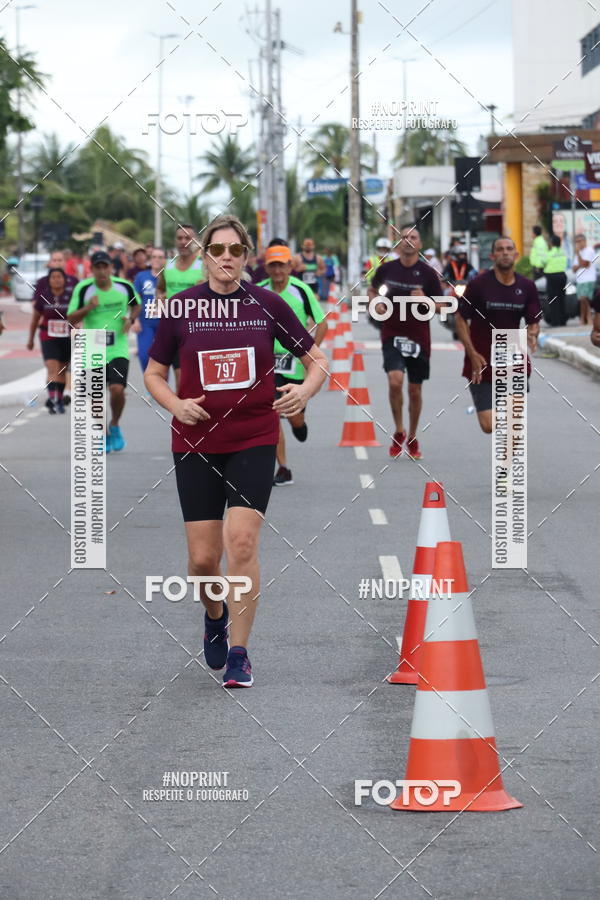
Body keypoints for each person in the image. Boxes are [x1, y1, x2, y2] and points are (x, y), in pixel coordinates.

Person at [144, 214, 327, 688]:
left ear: (247, 257)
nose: (226, 258)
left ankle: (241, 652)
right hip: (196, 442)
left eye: (236, 250)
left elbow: (316, 360)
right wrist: (176, 404)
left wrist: (304, 392)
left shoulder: (267, 304)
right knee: (204, 560)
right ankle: (214, 612)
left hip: (253, 437)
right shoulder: (181, 308)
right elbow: (153, 374)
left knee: (241, 542)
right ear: (204, 256)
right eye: (218, 250)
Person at [368, 224, 443, 460]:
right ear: (398, 244)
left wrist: (426, 300)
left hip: (419, 336)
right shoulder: (387, 270)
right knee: (395, 380)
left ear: (419, 244)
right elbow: (372, 291)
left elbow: (442, 305)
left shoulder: (428, 274)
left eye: (413, 237)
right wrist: (377, 303)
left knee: (414, 389)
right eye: (404, 237)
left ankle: (412, 436)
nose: (408, 240)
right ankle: (398, 430)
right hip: (392, 333)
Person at [454, 236, 541, 434]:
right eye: (500, 249)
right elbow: (461, 319)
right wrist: (471, 353)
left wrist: (532, 334)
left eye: (509, 249)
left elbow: (533, 321)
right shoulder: (478, 284)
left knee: (513, 418)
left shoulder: (527, 287)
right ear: (492, 256)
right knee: (489, 425)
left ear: (516, 255)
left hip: (513, 358)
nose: (505, 252)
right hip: (481, 360)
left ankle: (508, 463)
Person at [258, 244, 327, 485]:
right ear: (266, 267)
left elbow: (322, 322)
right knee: (271, 413)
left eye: (282, 265)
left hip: (295, 362)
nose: (277, 270)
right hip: (267, 363)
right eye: (273, 265)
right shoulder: (259, 291)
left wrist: (308, 355)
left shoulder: (301, 290)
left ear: (290, 266)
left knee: (293, 416)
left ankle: (299, 425)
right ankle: (283, 467)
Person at [67, 250, 140, 452]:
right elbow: (70, 319)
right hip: (92, 348)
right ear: (91, 269)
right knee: (96, 397)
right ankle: (103, 434)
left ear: (110, 268)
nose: (101, 271)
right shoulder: (83, 289)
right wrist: (88, 308)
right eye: (97, 267)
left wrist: (131, 319)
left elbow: (136, 306)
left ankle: (114, 424)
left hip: (117, 346)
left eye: (105, 267)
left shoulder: (124, 286)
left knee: (117, 389)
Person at [156, 224, 204, 391]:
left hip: (200, 331)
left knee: (202, 381)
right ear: (175, 241)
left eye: (187, 238)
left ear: (194, 241)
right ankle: (184, 414)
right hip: (176, 330)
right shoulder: (167, 266)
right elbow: (160, 288)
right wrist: (160, 299)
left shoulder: (204, 266)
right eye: (180, 238)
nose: (183, 242)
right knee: (181, 380)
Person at [27, 268, 72, 413]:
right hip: (48, 336)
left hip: (66, 337)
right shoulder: (43, 297)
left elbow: (80, 315)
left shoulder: (71, 296)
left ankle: (58, 398)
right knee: (52, 368)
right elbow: (35, 319)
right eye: (53, 277)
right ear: (49, 280)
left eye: (60, 277)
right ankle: (54, 400)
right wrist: (31, 339)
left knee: (62, 371)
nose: (57, 279)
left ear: (64, 280)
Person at [133, 247, 166, 371]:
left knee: (162, 357)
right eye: (154, 257)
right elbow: (134, 300)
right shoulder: (142, 276)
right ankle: (149, 386)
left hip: (165, 323)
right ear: (150, 259)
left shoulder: (169, 276)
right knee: (144, 355)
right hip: (145, 322)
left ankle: (160, 388)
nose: (157, 259)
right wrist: (134, 320)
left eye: (160, 257)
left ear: (164, 260)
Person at [543, 235, 568, 327]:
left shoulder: (549, 253)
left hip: (552, 276)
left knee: (553, 299)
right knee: (562, 298)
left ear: (552, 243)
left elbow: (543, 262)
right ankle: (563, 320)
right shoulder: (563, 252)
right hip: (562, 276)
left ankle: (555, 321)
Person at [573, 233, 597, 325]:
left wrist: (579, 257)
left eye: (579, 241)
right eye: (576, 242)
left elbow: (585, 264)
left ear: (584, 241)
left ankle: (587, 317)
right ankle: (584, 318)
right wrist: (580, 263)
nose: (578, 243)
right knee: (582, 300)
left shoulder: (589, 250)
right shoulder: (577, 253)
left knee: (584, 298)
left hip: (589, 279)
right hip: (580, 279)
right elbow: (574, 269)